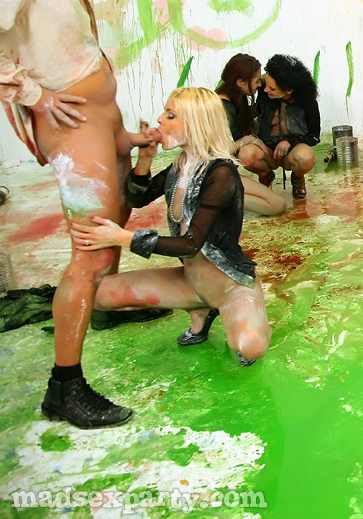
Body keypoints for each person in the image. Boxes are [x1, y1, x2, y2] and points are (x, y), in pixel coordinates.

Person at [0, 0, 156, 427]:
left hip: (101, 123)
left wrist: (123, 133)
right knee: (91, 250)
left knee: (117, 218)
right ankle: (64, 388)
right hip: (73, 125)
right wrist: (34, 95)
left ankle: (104, 306)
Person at [69, 87, 271, 379]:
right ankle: (201, 309)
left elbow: (190, 244)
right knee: (98, 296)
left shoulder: (221, 173)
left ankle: (231, 311)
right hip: (191, 281)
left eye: (171, 115)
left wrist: (123, 238)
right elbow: (138, 198)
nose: (160, 120)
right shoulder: (179, 168)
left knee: (250, 346)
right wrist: (145, 159)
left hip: (229, 286)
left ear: (197, 123)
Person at [237, 54, 320, 200]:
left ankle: (297, 178)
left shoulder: (307, 102)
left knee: (305, 158)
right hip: (267, 149)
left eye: (272, 89)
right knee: (245, 155)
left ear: (289, 90)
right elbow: (244, 83)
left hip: (292, 150)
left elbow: (314, 137)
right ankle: (265, 175)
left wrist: (290, 141)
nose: (265, 90)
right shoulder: (264, 88)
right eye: (265, 85)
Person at [215, 53, 286, 216]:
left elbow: (264, 78)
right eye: (256, 81)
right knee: (277, 205)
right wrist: (245, 140)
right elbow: (217, 152)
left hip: (224, 173)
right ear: (240, 82)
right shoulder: (222, 109)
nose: (260, 85)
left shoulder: (235, 95)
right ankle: (223, 199)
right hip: (214, 177)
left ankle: (266, 174)